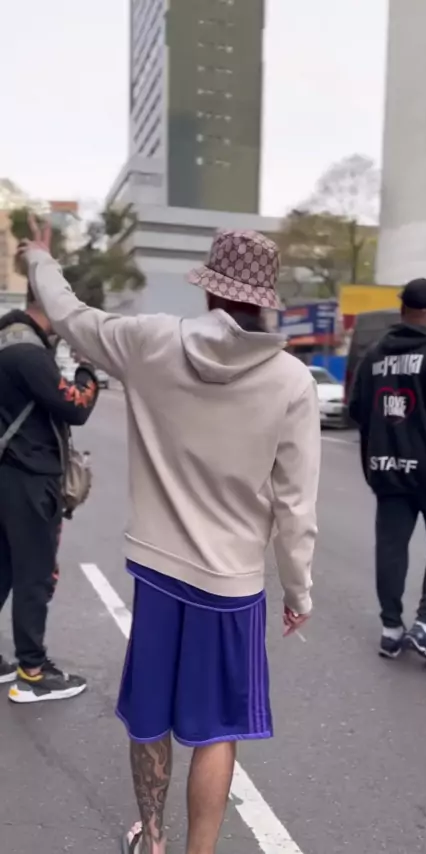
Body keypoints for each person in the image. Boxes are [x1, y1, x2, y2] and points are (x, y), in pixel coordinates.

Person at [19, 222, 320, 854]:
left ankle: (152, 840)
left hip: (158, 573)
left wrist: (41, 257)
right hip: (232, 584)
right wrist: (298, 591)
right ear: (264, 301)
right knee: (217, 730)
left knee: (150, 713)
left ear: (208, 291)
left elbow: (69, 314)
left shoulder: (149, 340)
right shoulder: (292, 381)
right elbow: (295, 505)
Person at [349, 278, 426, 666]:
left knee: (391, 547)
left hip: (387, 470)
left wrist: (385, 445)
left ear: (401, 308)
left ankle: (391, 630)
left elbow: (357, 410)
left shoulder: (374, 354)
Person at [0, 279, 99, 702]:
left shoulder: (7, 340)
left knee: (4, 569)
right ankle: (33, 673)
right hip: (29, 477)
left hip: (7, 473)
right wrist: (87, 368)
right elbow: (75, 406)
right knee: (34, 575)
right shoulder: (27, 352)